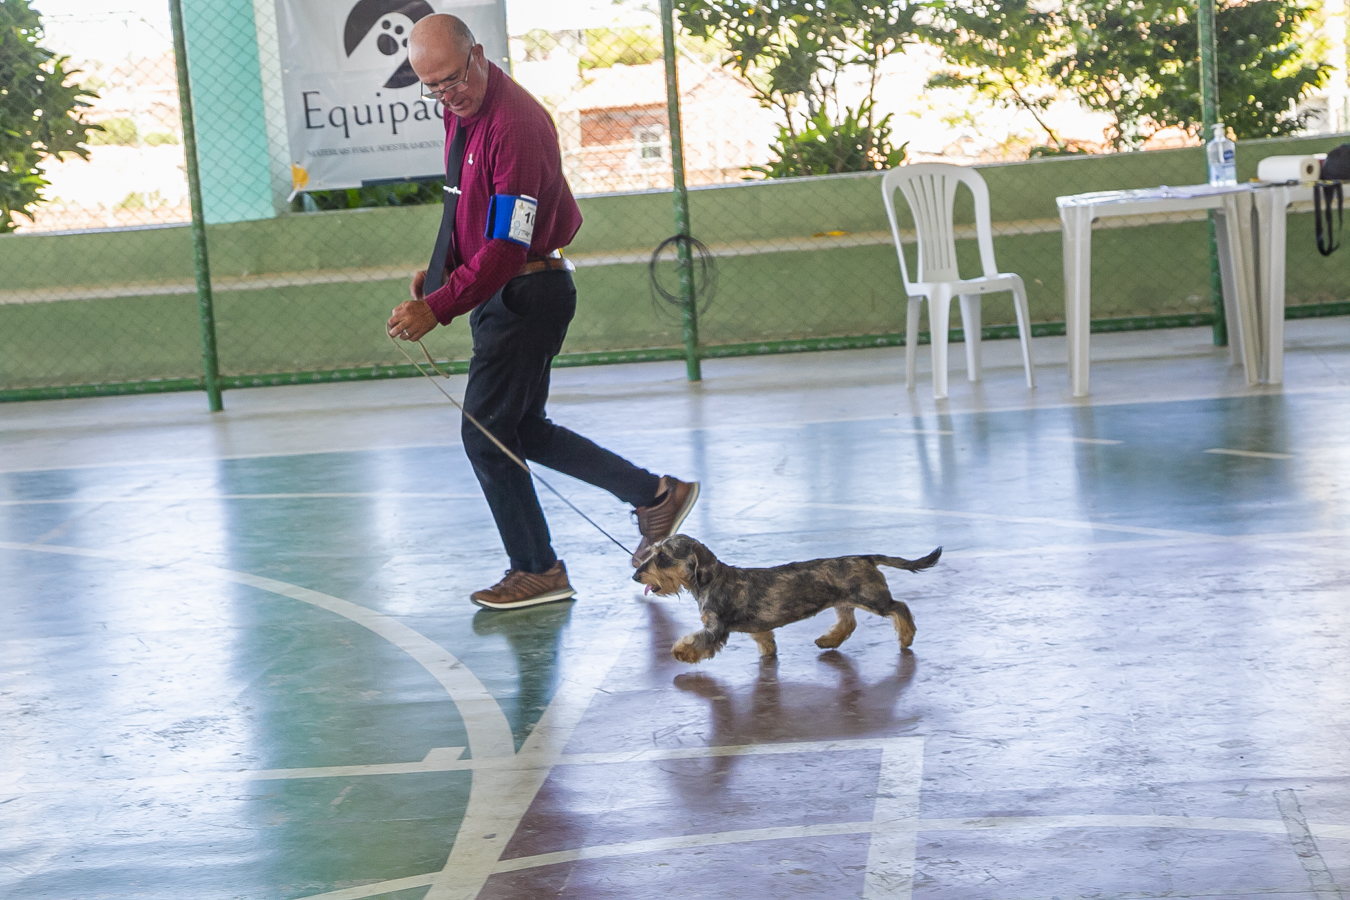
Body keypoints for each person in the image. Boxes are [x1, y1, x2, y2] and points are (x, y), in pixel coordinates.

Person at [386, 14, 697, 611]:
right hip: (505, 291)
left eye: (454, 79)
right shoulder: (459, 111)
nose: (448, 95)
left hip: (528, 293)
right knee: (520, 430)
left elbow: (508, 245)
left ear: (479, 55)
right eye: (434, 88)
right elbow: (461, 205)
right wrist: (443, 273)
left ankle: (537, 568)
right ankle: (655, 496)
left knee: (483, 435)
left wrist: (439, 307)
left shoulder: (517, 124)